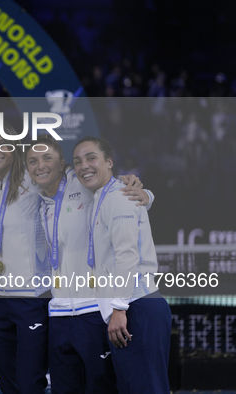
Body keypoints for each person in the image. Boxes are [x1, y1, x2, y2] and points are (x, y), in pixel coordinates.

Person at [26, 135, 153, 394]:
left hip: (94, 311)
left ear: (62, 164)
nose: (40, 166)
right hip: (59, 314)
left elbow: (118, 189)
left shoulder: (82, 182)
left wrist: (146, 194)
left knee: (101, 387)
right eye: (33, 161)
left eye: (47, 158)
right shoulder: (39, 201)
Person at [72, 136, 171, 394]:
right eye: (77, 161)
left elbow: (127, 255)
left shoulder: (118, 196)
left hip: (135, 307)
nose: (84, 165)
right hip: (130, 308)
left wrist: (118, 308)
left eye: (91, 158)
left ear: (109, 162)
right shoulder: (102, 197)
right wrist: (148, 195)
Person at [0, 124, 51, 393]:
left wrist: (135, 188)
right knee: (8, 384)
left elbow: (79, 181)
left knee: (30, 383)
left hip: (31, 297)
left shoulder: (34, 179)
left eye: (0, 144)